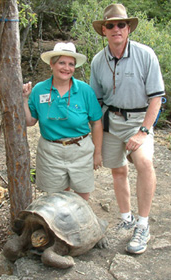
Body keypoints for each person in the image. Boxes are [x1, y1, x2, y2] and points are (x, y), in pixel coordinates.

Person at [89, 4, 164, 254]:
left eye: (121, 24)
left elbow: (156, 98)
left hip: (139, 119)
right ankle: (126, 218)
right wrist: (94, 139)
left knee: (143, 162)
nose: (116, 29)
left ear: (128, 27)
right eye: (110, 25)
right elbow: (96, 102)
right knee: (118, 170)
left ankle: (143, 226)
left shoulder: (145, 54)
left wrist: (143, 131)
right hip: (110, 120)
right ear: (104, 30)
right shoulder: (98, 61)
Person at [22, 42, 103, 201]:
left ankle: (81, 226)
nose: (67, 68)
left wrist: (97, 153)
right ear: (52, 64)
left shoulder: (84, 90)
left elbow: (97, 123)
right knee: (56, 199)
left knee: (82, 198)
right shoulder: (39, 90)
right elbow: (30, 121)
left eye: (71, 64)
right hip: (50, 152)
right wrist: (24, 99)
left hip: (81, 150)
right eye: (62, 63)